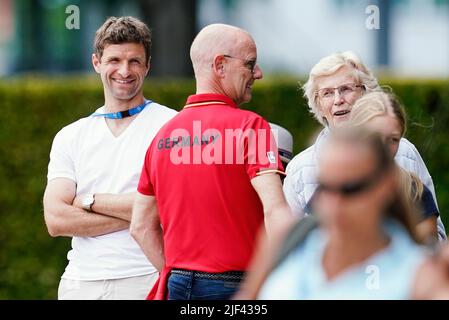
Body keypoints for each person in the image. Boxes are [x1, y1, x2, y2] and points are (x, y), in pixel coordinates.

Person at [130, 23, 292, 300]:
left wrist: (176, 275)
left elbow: (140, 226)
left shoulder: (162, 136)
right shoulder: (251, 126)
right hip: (237, 284)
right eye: (250, 63)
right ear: (220, 65)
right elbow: (276, 212)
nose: (258, 73)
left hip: (178, 282)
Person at [43, 16, 177, 300]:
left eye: (135, 62)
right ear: (97, 63)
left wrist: (90, 202)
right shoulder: (71, 135)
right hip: (81, 282)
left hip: (146, 278)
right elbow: (55, 219)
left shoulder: (173, 126)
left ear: (148, 66)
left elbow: (175, 206)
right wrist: (143, 214)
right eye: (114, 60)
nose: (124, 71)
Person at [283, 51, 446, 240]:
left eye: (346, 89)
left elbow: (435, 239)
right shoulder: (299, 168)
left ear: (365, 93)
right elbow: (290, 246)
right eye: (327, 93)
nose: (338, 100)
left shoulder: (405, 152)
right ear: (318, 105)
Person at [259, 128, 429, 299]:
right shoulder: (292, 241)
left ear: (387, 186)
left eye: (350, 189)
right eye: (324, 187)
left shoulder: (419, 277)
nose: (334, 205)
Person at [348, 91, 438, 241]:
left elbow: (426, 252)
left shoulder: (414, 191)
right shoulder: (332, 188)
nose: (383, 147)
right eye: (374, 137)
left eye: (393, 139)